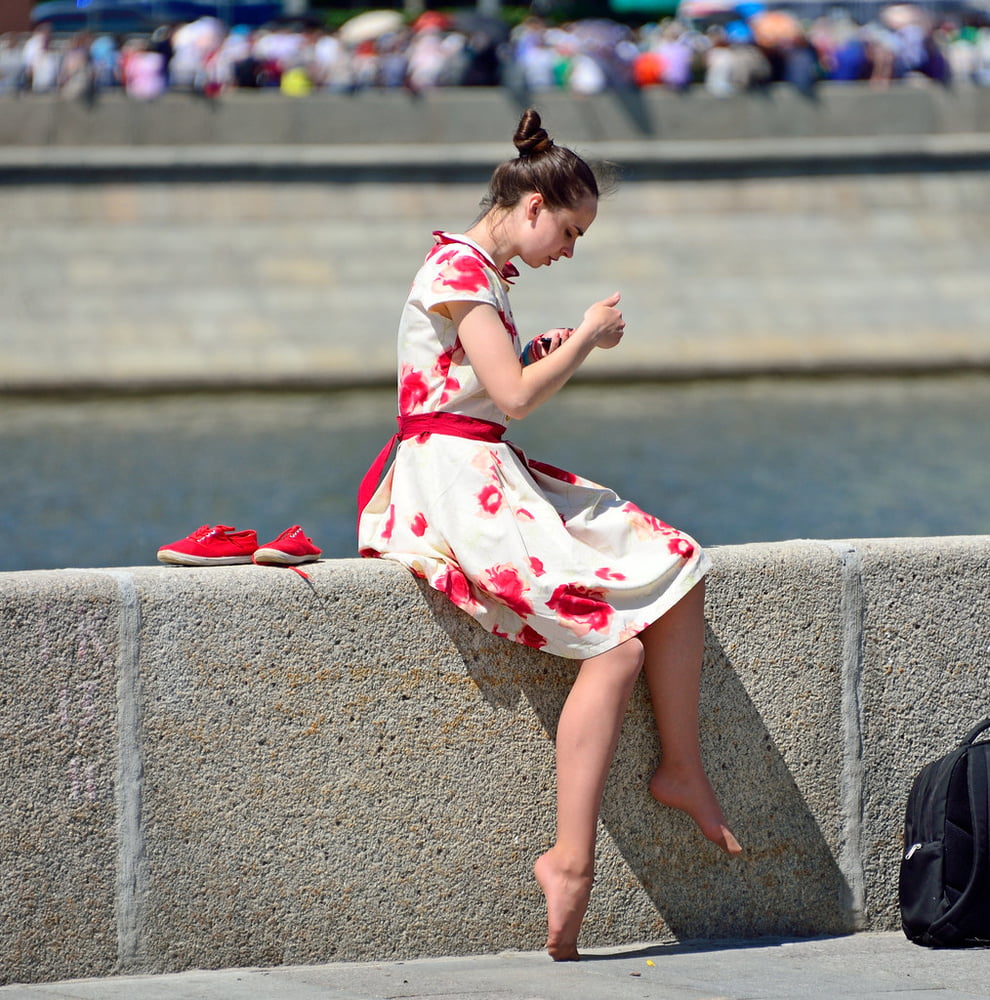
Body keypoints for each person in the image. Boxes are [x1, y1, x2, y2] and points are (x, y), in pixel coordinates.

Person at [357, 108, 741, 962]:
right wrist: (587, 343)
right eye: (568, 231)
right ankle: (570, 862)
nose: (569, 250)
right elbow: (516, 396)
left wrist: (544, 346)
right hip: (457, 487)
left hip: (487, 470)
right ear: (532, 206)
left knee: (677, 559)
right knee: (616, 647)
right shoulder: (457, 268)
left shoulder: (481, 274)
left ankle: (679, 767)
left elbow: (490, 384)